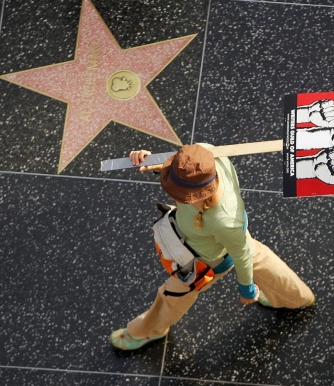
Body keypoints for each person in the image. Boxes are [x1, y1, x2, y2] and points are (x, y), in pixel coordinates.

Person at [110, 143, 315, 350]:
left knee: (172, 295)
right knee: (259, 256)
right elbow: (186, 166)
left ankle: (145, 332)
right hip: (231, 235)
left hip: (206, 260)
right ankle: (297, 297)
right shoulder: (207, 156)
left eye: (178, 192)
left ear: (198, 196)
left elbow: (240, 256)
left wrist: (247, 290)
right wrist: (154, 162)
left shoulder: (222, 221)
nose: (173, 196)